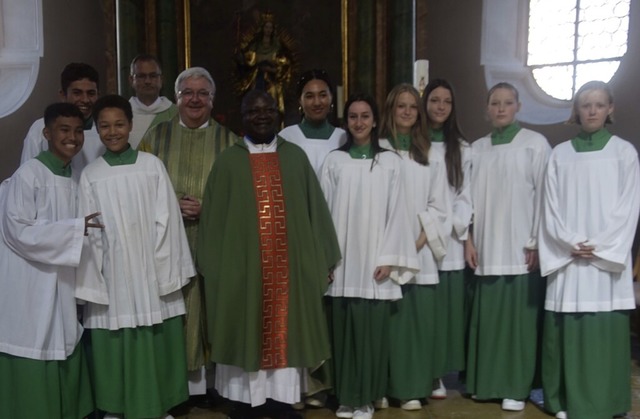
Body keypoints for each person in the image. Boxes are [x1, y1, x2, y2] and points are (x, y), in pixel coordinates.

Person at [197, 90, 341, 419]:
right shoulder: (228, 162)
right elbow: (214, 223)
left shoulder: (295, 159)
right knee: (244, 328)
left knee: (285, 332)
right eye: (252, 111)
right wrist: (218, 270)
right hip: (241, 274)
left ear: (279, 115)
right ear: (241, 116)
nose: (261, 116)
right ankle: (243, 401)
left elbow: (314, 213)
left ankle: (280, 400)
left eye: (268, 110)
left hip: (288, 275)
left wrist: (321, 259)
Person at [75, 95, 194, 419]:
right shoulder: (91, 175)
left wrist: (162, 270)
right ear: (96, 130)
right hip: (112, 273)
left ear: (130, 125)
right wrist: (95, 278)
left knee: (154, 334)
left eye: (119, 124)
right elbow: (90, 230)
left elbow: (166, 220)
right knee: (114, 338)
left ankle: (157, 405)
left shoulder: (151, 166)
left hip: (148, 268)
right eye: (104, 126)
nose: (112, 132)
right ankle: (115, 407)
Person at [538, 81, 640, 419]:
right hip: (569, 257)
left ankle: (608, 402)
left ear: (610, 109)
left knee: (604, 335)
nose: (592, 111)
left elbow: (629, 208)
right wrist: (570, 242)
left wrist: (599, 245)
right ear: (576, 110)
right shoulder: (560, 154)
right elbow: (549, 207)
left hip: (605, 259)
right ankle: (564, 401)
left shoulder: (624, 152)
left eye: (599, 105)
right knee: (567, 330)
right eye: (586, 105)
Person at [139, 67, 239, 395]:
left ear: (212, 100)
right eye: (188, 93)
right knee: (173, 309)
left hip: (215, 243)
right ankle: (174, 386)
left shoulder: (231, 142)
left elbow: (242, 197)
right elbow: (140, 187)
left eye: (202, 93)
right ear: (177, 98)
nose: (195, 99)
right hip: (168, 242)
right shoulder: (155, 137)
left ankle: (212, 386)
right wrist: (169, 207)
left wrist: (207, 209)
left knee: (212, 311)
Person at [320, 93, 419, 419]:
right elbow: (323, 214)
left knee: (370, 338)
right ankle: (346, 397)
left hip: (375, 262)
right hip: (343, 263)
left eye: (365, 116)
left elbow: (399, 214)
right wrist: (327, 260)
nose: (359, 122)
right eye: (352, 117)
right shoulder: (334, 161)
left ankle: (366, 398)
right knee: (344, 335)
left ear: (375, 121)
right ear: (345, 122)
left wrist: (389, 258)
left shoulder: (390, 162)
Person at [0, 103, 101, 418]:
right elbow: (16, 230)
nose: (72, 137)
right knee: (37, 339)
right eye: (63, 130)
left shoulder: (72, 175)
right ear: (47, 133)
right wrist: (73, 229)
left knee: (64, 337)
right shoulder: (30, 174)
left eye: (78, 130)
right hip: (32, 283)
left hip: (59, 281)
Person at [464, 82, 551, 411]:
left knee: (518, 325)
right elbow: (465, 201)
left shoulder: (535, 145)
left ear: (518, 107)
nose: (501, 108)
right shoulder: (477, 149)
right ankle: (484, 383)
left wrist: (536, 241)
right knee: (487, 323)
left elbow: (545, 195)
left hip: (520, 249)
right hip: (485, 247)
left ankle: (516, 385)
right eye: (495, 103)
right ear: (487, 108)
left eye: (508, 103)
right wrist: (468, 238)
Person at [377, 83, 451, 411]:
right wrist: (393, 246)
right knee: (386, 326)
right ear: (390, 110)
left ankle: (411, 388)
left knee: (416, 326)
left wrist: (416, 242)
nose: (407, 112)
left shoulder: (430, 154)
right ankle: (381, 385)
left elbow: (439, 206)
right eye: (400, 106)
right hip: (383, 251)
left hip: (420, 252)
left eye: (412, 107)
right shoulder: (377, 150)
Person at [422, 79, 472, 399]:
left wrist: (453, 224)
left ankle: (439, 372)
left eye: (447, 102)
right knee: (424, 310)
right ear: (425, 103)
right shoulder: (414, 144)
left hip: (451, 239)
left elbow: (466, 195)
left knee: (445, 312)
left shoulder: (463, 148)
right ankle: (424, 368)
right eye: (435, 100)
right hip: (421, 236)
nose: (440, 106)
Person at [20, 62, 104, 177]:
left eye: (91, 93)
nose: (85, 100)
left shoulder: (105, 130)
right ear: (63, 95)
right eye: (77, 93)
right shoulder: (40, 128)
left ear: (98, 95)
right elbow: (28, 173)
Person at [279, 69, 346, 177]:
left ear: (331, 98)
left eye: (323, 95)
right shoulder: (287, 137)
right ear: (300, 101)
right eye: (309, 96)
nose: (317, 102)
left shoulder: (343, 138)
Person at [235, 12, 293, 114]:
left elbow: (284, 63)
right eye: (266, 27)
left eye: (270, 27)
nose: (268, 30)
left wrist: (273, 68)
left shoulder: (277, 46)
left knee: (272, 104)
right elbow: (248, 60)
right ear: (262, 28)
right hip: (257, 78)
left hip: (272, 80)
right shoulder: (256, 45)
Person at [128, 54, 178, 148]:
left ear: (161, 80)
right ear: (131, 80)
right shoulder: (122, 113)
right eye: (141, 76)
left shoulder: (176, 113)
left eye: (153, 76)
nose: (147, 81)